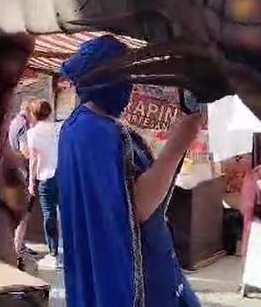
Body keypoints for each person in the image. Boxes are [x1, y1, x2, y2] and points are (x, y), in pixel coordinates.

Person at [57, 35, 202, 307]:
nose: (130, 87)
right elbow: (137, 207)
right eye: (126, 78)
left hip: (133, 270)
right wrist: (179, 141)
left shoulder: (77, 127)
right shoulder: (98, 132)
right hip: (139, 280)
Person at [26, 99, 61, 270]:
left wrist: (31, 181)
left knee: (49, 214)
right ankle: (70, 250)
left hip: (45, 176)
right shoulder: (59, 128)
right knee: (66, 212)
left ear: (33, 114)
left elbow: (34, 159)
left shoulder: (32, 133)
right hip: (62, 174)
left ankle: (53, 252)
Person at [7, 99, 36, 257]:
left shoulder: (13, 123)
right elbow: (25, 151)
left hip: (10, 172)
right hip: (21, 174)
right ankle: (17, 249)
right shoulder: (23, 126)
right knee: (23, 215)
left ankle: (18, 245)